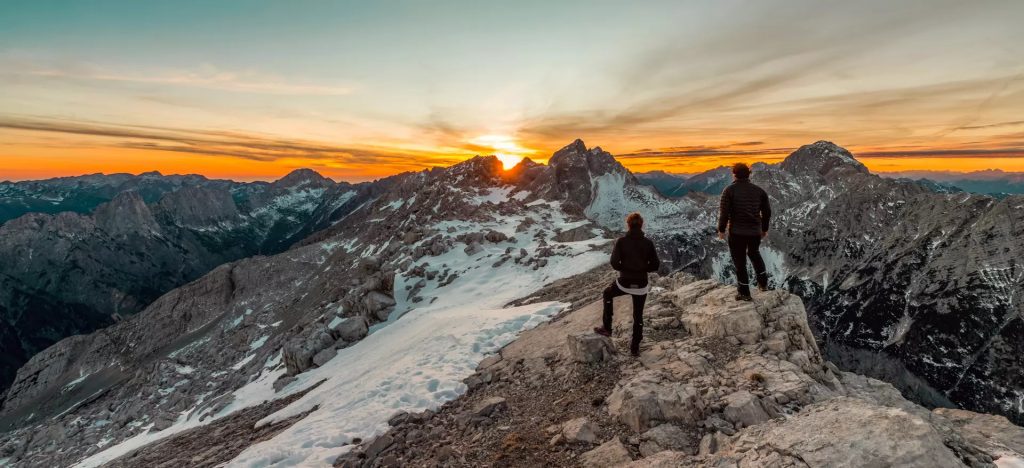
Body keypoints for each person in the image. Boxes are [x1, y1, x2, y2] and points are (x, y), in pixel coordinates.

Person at [593, 212, 660, 356]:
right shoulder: (648, 243)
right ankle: (635, 347)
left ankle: (607, 328)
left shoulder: (621, 241)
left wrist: (624, 268)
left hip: (624, 282)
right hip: (641, 284)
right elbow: (655, 265)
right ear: (641, 225)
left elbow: (614, 263)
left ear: (628, 225)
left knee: (607, 293)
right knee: (638, 315)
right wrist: (642, 268)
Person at [717, 162, 772, 302]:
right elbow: (767, 213)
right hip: (754, 232)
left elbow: (724, 213)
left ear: (734, 174)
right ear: (749, 174)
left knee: (740, 262)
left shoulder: (729, 190)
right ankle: (763, 284)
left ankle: (744, 292)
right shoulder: (760, 191)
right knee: (755, 254)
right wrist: (764, 229)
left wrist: (721, 230)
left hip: (736, 232)